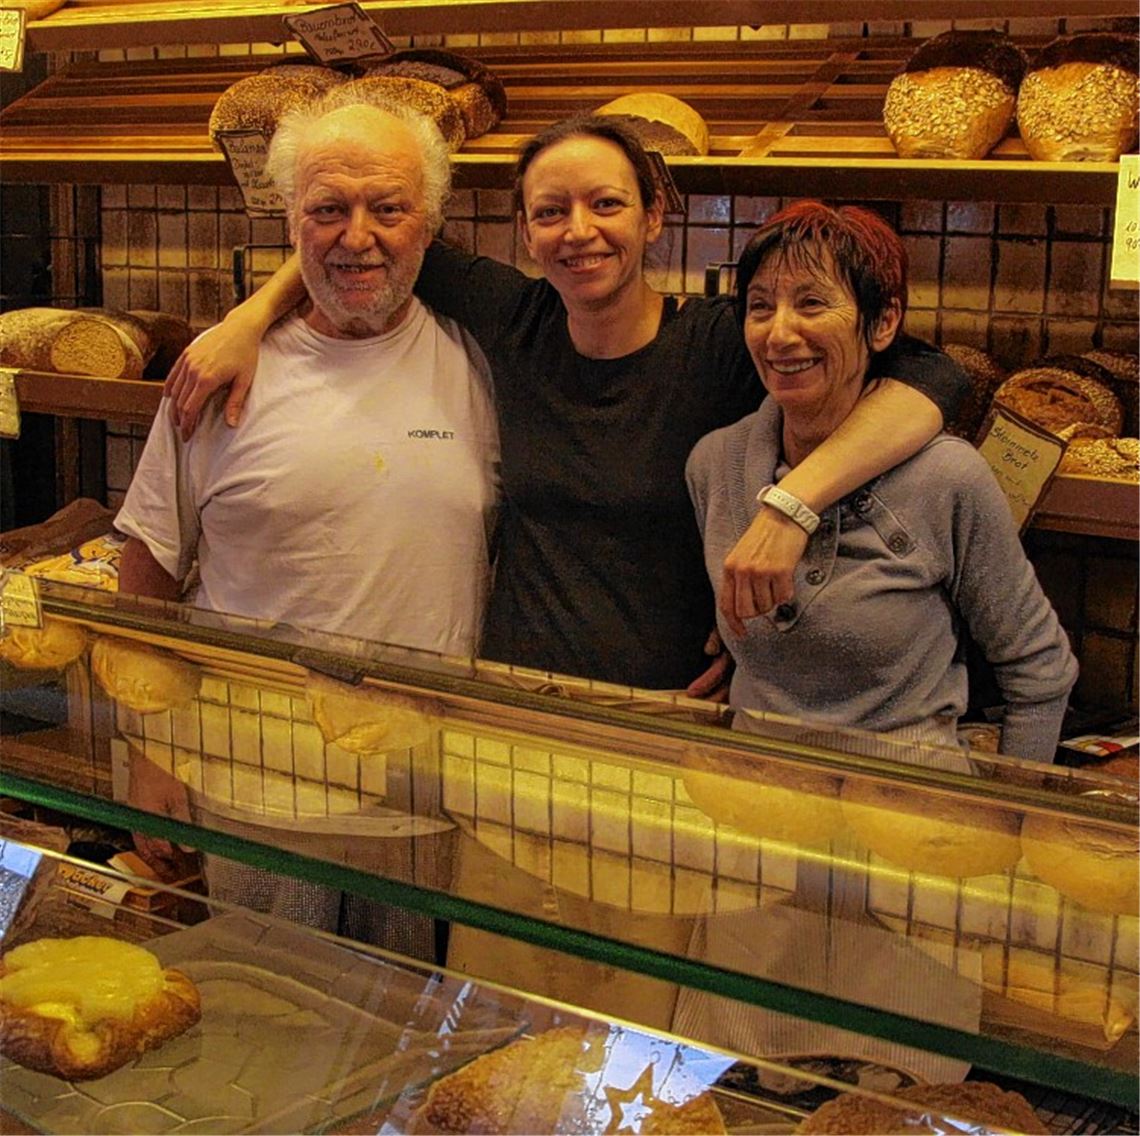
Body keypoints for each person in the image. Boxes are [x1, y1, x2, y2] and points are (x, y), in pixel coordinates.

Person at [164, 114, 969, 694]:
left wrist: (791, 509)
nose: (578, 231)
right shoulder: (514, 320)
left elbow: (935, 376)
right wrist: (249, 318)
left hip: (669, 714)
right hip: (512, 702)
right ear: (526, 233)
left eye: (606, 205)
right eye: (551, 212)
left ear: (654, 216)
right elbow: (361, 237)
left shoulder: (723, 343)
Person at [115, 94, 499, 953]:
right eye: (327, 210)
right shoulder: (215, 378)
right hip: (253, 793)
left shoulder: (478, 364)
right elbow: (146, 573)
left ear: (430, 223)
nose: (357, 237)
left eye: (387, 208)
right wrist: (148, 750)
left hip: (423, 804)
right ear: (290, 220)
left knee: (406, 1021)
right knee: (263, 1012)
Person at [686, 200, 1078, 759]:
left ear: (884, 322)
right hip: (759, 792)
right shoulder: (714, 465)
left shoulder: (947, 477)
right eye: (760, 306)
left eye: (812, 303)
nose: (779, 333)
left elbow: (1040, 669)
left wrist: (1012, 806)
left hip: (908, 796)